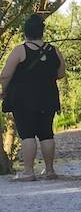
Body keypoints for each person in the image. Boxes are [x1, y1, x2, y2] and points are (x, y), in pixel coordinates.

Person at [0, 14, 65, 181]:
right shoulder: (54, 50)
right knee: (46, 133)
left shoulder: (20, 50)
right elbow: (61, 74)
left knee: (27, 134)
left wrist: (5, 91)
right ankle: (50, 170)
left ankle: (28, 172)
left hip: (24, 99)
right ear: (42, 32)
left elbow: (5, 75)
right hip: (49, 97)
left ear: (26, 32)